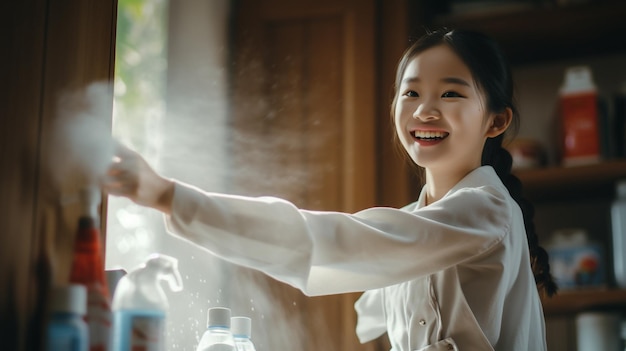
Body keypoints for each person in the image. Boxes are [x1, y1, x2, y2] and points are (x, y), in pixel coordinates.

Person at [103, 28, 557, 351]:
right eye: (411, 93)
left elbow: (333, 243)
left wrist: (167, 195)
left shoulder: (485, 211)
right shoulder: (417, 223)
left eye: (452, 95)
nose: (425, 111)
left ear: (496, 121)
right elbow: (366, 299)